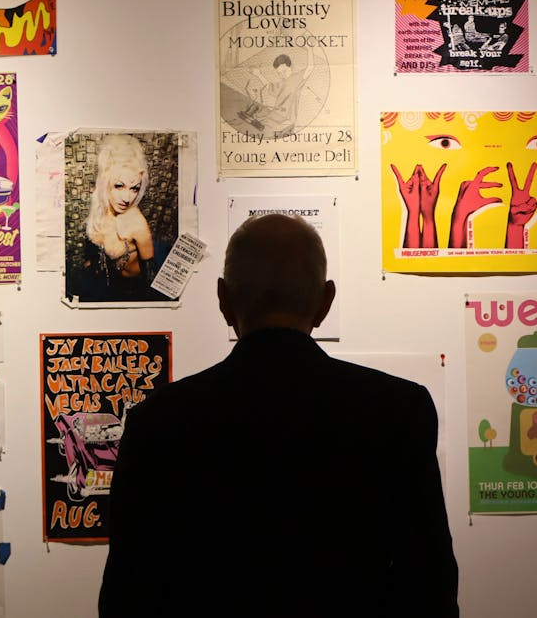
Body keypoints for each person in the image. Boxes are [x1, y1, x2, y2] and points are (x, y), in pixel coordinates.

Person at [99, 214, 458, 617]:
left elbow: (127, 595)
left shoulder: (159, 420)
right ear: (326, 302)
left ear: (223, 300)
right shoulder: (399, 409)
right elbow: (430, 585)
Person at [75, 134, 167, 301]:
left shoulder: (137, 225)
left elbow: (151, 279)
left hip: (131, 291)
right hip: (105, 283)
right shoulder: (98, 208)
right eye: (119, 186)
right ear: (105, 181)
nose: (127, 198)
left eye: (135, 188)